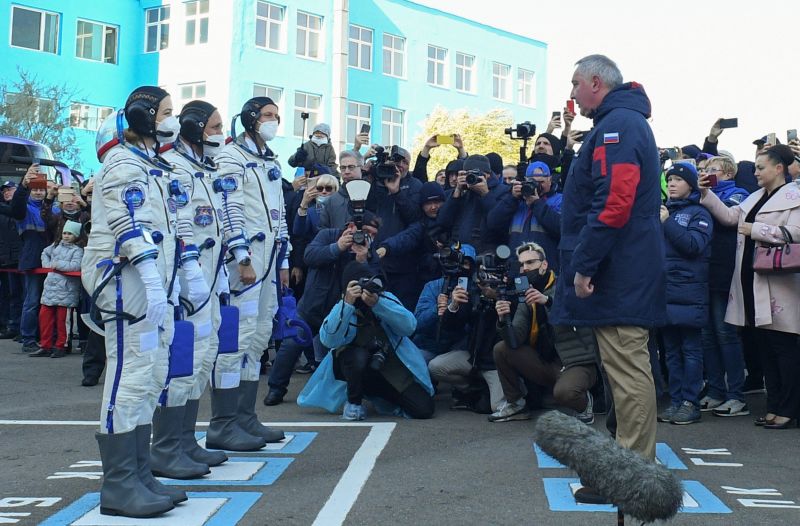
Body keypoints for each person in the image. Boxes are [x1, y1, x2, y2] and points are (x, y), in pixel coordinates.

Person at [551, 55, 665, 504]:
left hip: (619, 273)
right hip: (622, 270)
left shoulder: (618, 125)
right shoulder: (619, 122)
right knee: (624, 372)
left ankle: (633, 476)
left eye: (576, 83)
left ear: (596, 82)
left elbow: (615, 201)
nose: (573, 92)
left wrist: (585, 265)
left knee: (628, 371)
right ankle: (631, 467)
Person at [82, 86, 187, 517]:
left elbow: (170, 226)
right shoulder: (123, 163)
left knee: (149, 372)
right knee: (127, 374)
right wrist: (148, 271)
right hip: (125, 278)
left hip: (151, 279)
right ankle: (120, 484)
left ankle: (140, 472)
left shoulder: (153, 165)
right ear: (143, 117)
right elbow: (128, 222)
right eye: (164, 112)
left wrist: (178, 278)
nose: (171, 119)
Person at [699, 145, 800, 429]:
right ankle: (774, 406)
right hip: (750, 280)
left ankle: (789, 410)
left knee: (783, 347)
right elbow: (731, 218)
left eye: (761, 167)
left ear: (778, 168)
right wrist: (706, 194)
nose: (755, 172)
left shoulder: (795, 197)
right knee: (764, 346)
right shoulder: (754, 197)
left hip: (780, 282)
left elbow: (797, 234)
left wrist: (757, 230)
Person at [160, 100, 232, 465]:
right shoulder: (176, 167)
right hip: (188, 281)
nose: (220, 134)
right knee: (182, 360)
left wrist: (219, 273)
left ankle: (186, 440)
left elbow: (216, 226)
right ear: (193, 127)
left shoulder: (205, 168)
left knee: (203, 358)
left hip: (209, 274)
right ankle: (168, 445)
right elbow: (181, 225)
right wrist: (190, 275)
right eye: (214, 127)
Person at [213, 96, 287, 446]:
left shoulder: (269, 159)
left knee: (258, 337)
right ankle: (223, 423)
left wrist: (284, 261)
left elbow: (279, 215)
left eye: (277, 115)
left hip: (270, 259)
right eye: (269, 115)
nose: (275, 121)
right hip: (244, 260)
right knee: (237, 338)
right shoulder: (231, 157)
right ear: (251, 119)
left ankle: (246, 417)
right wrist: (242, 257)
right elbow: (230, 208)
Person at [265, 212, 382, 406]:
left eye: (373, 233)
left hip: (341, 314)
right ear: (351, 226)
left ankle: (345, 395)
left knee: (343, 355)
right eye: (365, 231)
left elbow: (377, 280)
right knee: (291, 345)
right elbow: (309, 256)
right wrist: (337, 247)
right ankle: (276, 389)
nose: (367, 236)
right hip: (311, 307)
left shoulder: (369, 249)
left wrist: (363, 260)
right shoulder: (328, 235)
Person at [297, 261, 435, 420]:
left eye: (368, 281)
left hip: (387, 366)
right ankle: (353, 402)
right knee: (357, 356)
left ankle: (382, 398)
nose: (365, 288)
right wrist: (347, 304)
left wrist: (378, 304)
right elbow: (328, 340)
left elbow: (409, 326)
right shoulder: (342, 305)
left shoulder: (384, 297)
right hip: (354, 365)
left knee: (424, 409)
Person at [491, 242, 597, 423]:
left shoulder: (566, 285)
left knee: (565, 393)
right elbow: (515, 340)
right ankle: (515, 404)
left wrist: (547, 301)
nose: (525, 269)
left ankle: (585, 403)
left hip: (578, 362)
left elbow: (577, 315)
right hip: (547, 362)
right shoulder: (527, 296)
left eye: (530, 263)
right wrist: (503, 319)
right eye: (522, 265)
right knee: (502, 349)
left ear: (544, 265)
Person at [657, 163, 713, 425]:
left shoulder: (699, 213)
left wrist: (667, 223)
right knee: (670, 352)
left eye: (679, 179)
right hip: (663, 292)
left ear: (691, 185)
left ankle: (691, 402)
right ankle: (677, 401)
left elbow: (693, 245)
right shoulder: (660, 212)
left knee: (691, 350)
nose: (673, 183)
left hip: (689, 291)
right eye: (670, 179)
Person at [698, 156, 750, 417]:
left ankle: (736, 395)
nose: (707, 173)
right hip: (704, 271)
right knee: (707, 335)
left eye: (713, 170)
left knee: (726, 333)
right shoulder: (699, 195)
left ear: (728, 174)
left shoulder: (739, 194)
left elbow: (728, 219)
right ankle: (716, 390)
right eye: (704, 170)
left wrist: (705, 194)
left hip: (724, 271)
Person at [10, 165, 59, 353]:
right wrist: (23, 185)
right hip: (32, 259)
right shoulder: (24, 209)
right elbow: (16, 205)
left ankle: (46, 337)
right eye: (35, 189)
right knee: (31, 301)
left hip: (52, 260)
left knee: (48, 301)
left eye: (41, 189)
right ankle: (28, 338)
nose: (38, 192)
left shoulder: (53, 208)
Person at [487, 161, 562, 271]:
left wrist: (536, 203)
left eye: (541, 182)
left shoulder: (559, 200)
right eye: (532, 182)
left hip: (545, 267)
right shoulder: (517, 201)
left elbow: (560, 227)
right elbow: (493, 223)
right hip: (518, 266)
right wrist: (511, 198)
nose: (536, 187)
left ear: (550, 180)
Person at [29, 220, 83, 358]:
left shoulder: (78, 250)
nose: (66, 235)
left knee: (62, 321)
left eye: (70, 233)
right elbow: (44, 253)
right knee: (44, 319)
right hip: (50, 289)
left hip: (67, 291)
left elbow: (76, 266)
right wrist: (48, 266)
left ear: (76, 236)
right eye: (65, 233)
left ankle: (61, 346)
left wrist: (57, 264)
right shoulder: (55, 246)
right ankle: (45, 345)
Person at [436, 154, 508, 252]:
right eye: (468, 174)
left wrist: (485, 194)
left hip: (485, 255)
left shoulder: (503, 192)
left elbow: (499, 223)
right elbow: (443, 222)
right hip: (458, 252)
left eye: (478, 174)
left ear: (488, 175)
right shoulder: (457, 193)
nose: (472, 177)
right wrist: (456, 193)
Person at [0, 181, 22, 340]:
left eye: (10, 189)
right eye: (5, 190)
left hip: (20, 260)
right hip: (5, 260)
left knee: (20, 294)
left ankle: (18, 326)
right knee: (8, 294)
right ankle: (10, 325)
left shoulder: (22, 210)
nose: (7, 192)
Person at [319, 150, 363, 230]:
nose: (346, 172)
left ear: (361, 168)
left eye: (351, 167)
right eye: (343, 168)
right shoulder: (330, 202)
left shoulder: (372, 197)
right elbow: (323, 234)